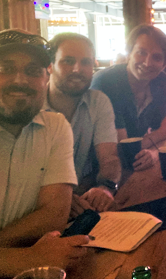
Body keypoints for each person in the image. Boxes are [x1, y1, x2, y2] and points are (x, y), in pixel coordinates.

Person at [0, 29, 89, 276]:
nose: (20, 80)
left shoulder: (55, 127)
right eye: (4, 68)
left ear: (46, 79)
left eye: (33, 71)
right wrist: (25, 258)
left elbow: (54, 216)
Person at [45, 33, 122, 218]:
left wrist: (105, 187)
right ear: (50, 66)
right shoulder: (31, 106)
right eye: (68, 61)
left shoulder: (98, 102)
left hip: (82, 207)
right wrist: (59, 199)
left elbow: (109, 158)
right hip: (38, 212)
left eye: (86, 62)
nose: (77, 69)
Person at [91, 25, 166, 171]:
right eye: (141, 53)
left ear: (164, 64)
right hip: (96, 172)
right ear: (129, 53)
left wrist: (155, 153)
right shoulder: (107, 82)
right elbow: (122, 148)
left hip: (131, 167)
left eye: (157, 57)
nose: (148, 62)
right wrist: (158, 135)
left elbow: (164, 136)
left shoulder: (161, 82)